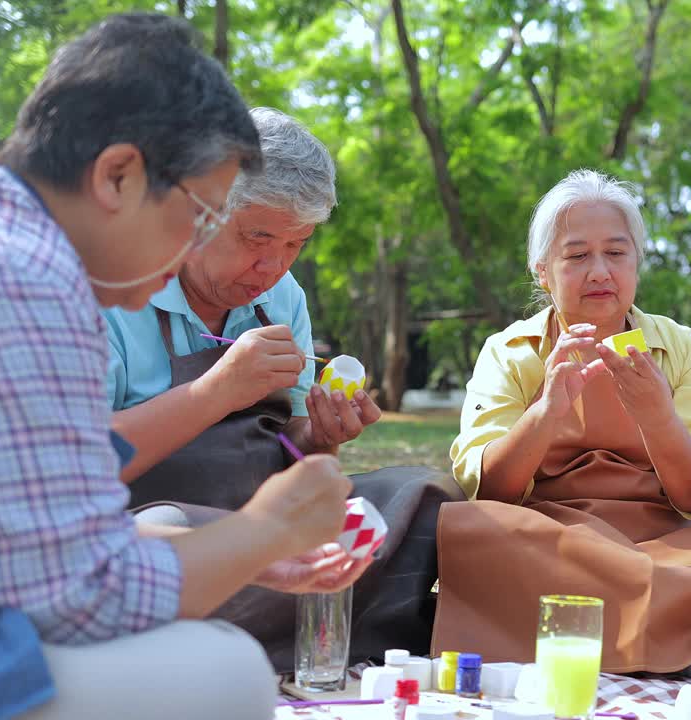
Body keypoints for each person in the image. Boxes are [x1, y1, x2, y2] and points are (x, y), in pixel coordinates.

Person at [0, 14, 367, 720]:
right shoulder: (16, 281)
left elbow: (33, 517)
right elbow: (78, 597)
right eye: (205, 219)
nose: (197, 252)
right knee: (225, 671)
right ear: (118, 175)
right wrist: (264, 531)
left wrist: (247, 549)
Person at [433, 169, 691, 699]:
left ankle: (687, 651)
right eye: (577, 256)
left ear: (637, 262)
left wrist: (657, 416)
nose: (600, 271)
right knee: (475, 535)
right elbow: (490, 488)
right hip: (547, 539)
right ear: (543, 272)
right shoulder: (511, 352)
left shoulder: (679, 348)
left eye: (616, 253)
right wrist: (547, 410)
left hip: (663, 540)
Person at [102, 106, 462, 668]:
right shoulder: (114, 289)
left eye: (295, 244)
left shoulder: (283, 296)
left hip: (269, 522)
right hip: (162, 519)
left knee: (424, 498)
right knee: (167, 535)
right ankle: (305, 629)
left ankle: (262, 632)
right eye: (256, 237)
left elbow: (289, 451)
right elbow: (76, 464)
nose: (271, 266)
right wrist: (217, 390)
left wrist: (321, 436)